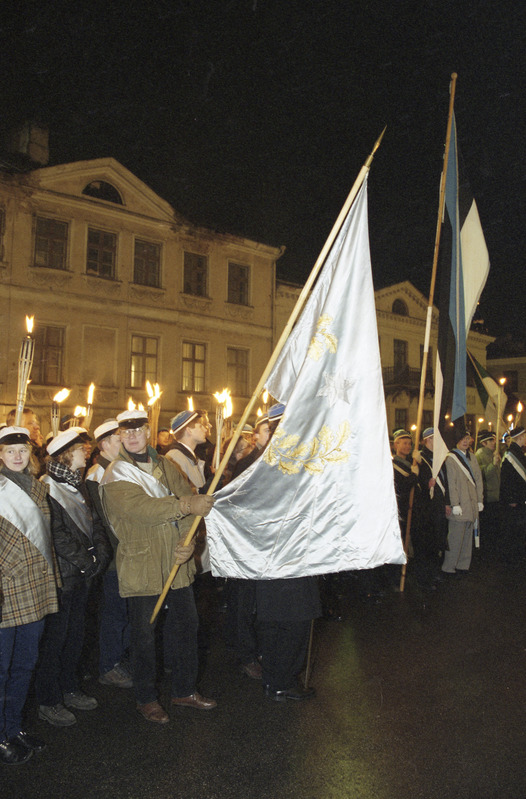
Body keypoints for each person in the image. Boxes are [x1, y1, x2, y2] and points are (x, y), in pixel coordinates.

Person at [100, 409, 216, 724]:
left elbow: (189, 503)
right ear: (120, 436)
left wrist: (187, 542)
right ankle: (146, 698)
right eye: (127, 432)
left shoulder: (167, 465)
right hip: (142, 562)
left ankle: (184, 690)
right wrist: (184, 506)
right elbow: (142, 509)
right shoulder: (115, 473)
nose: (134, 436)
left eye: (139, 430)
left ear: (148, 431)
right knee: (144, 634)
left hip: (176, 561)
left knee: (186, 627)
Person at [35, 428, 112, 727]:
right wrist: (87, 561)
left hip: (83, 574)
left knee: (76, 636)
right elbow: (57, 535)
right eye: (82, 449)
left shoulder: (79, 484)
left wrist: (99, 557)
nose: (87, 453)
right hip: (65, 577)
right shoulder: (47, 487)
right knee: (56, 640)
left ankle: (69, 687)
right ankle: (49, 699)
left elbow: (96, 524)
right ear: (68, 454)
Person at [0, 427, 60, 765]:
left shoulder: (38, 487)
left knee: (25, 664)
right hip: (7, 587)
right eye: (10, 451)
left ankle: (14, 726)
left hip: (34, 587)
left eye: (22, 450)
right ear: (0, 455)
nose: (18, 456)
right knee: (1, 669)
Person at [253, 404, 322, 701]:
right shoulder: (283, 459)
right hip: (288, 553)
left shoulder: (267, 458)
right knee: (294, 621)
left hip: (273, 556)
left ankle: (274, 679)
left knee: (276, 621)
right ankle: (282, 681)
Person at [84, 420, 132, 688]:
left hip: (124, 552)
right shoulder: (96, 475)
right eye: (117, 438)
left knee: (123, 611)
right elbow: (105, 520)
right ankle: (109, 665)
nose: (123, 442)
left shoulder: (116, 469)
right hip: (115, 555)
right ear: (104, 445)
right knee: (114, 612)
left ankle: (119, 658)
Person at [442, 429, 484, 575]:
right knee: (455, 538)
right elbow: (451, 483)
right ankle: (449, 566)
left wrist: (480, 499)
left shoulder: (472, 457)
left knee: (467, 537)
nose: (465, 441)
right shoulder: (451, 458)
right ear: (456, 441)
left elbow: (478, 480)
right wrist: (455, 504)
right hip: (459, 504)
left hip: (471, 503)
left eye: (467, 438)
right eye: (462, 439)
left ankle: (463, 565)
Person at [499, 426, 526, 563]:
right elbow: (507, 480)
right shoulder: (511, 454)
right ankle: (510, 556)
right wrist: (511, 498)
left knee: (519, 528)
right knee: (513, 528)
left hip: (520, 498)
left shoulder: (519, 452)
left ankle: (517, 553)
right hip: (514, 499)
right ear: (520, 437)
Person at [475, 429, 501, 557]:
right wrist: (493, 465)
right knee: (488, 525)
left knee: (495, 524)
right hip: (488, 496)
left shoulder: (493, 453)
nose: (493, 442)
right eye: (491, 440)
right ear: (484, 443)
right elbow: (481, 474)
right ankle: (486, 552)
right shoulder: (479, 455)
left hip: (496, 495)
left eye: (494, 440)